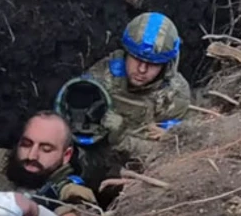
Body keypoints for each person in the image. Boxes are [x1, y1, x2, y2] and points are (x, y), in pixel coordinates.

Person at [81, 11, 191, 152]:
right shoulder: (104, 74)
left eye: (153, 63)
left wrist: (121, 138)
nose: (142, 69)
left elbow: (166, 151)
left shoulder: (174, 93)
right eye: (136, 59)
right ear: (126, 53)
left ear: (165, 64)